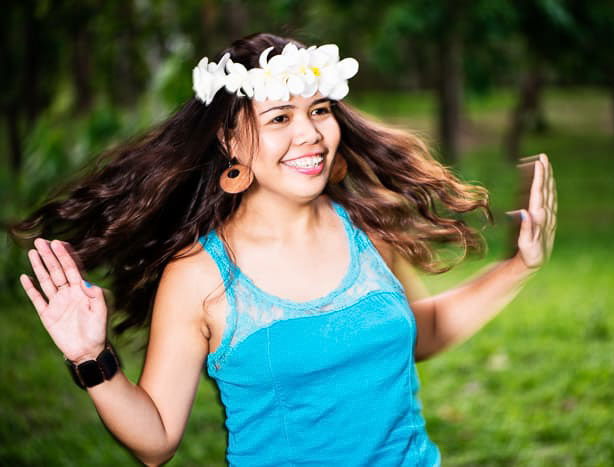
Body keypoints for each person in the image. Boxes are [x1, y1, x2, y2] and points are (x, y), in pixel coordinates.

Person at [13, 32, 557, 466]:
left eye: (319, 110)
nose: (311, 135)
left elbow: (418, 333)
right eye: (279, 118)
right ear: (231, 140)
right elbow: (155, 441)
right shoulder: (199, 277)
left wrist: (518, 267)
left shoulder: (366, 229)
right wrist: (92, 359)